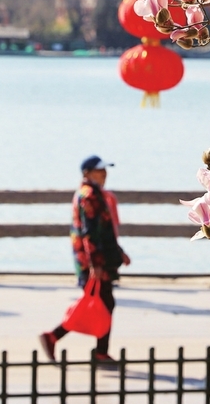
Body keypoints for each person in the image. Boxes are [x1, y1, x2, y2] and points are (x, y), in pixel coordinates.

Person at [40, 156, 130, 365]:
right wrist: (95, 264)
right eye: (99, 171)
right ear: (87, 173)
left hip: (98, 258)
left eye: (105, 170)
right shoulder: (89, 196)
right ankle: (59, 337)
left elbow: (104, 230)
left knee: (103, 302)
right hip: (94, 261)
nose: (104, 174)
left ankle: (95, 349)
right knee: (101, 302)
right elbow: (90, 233)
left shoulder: (95, 194)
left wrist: (119, 252)